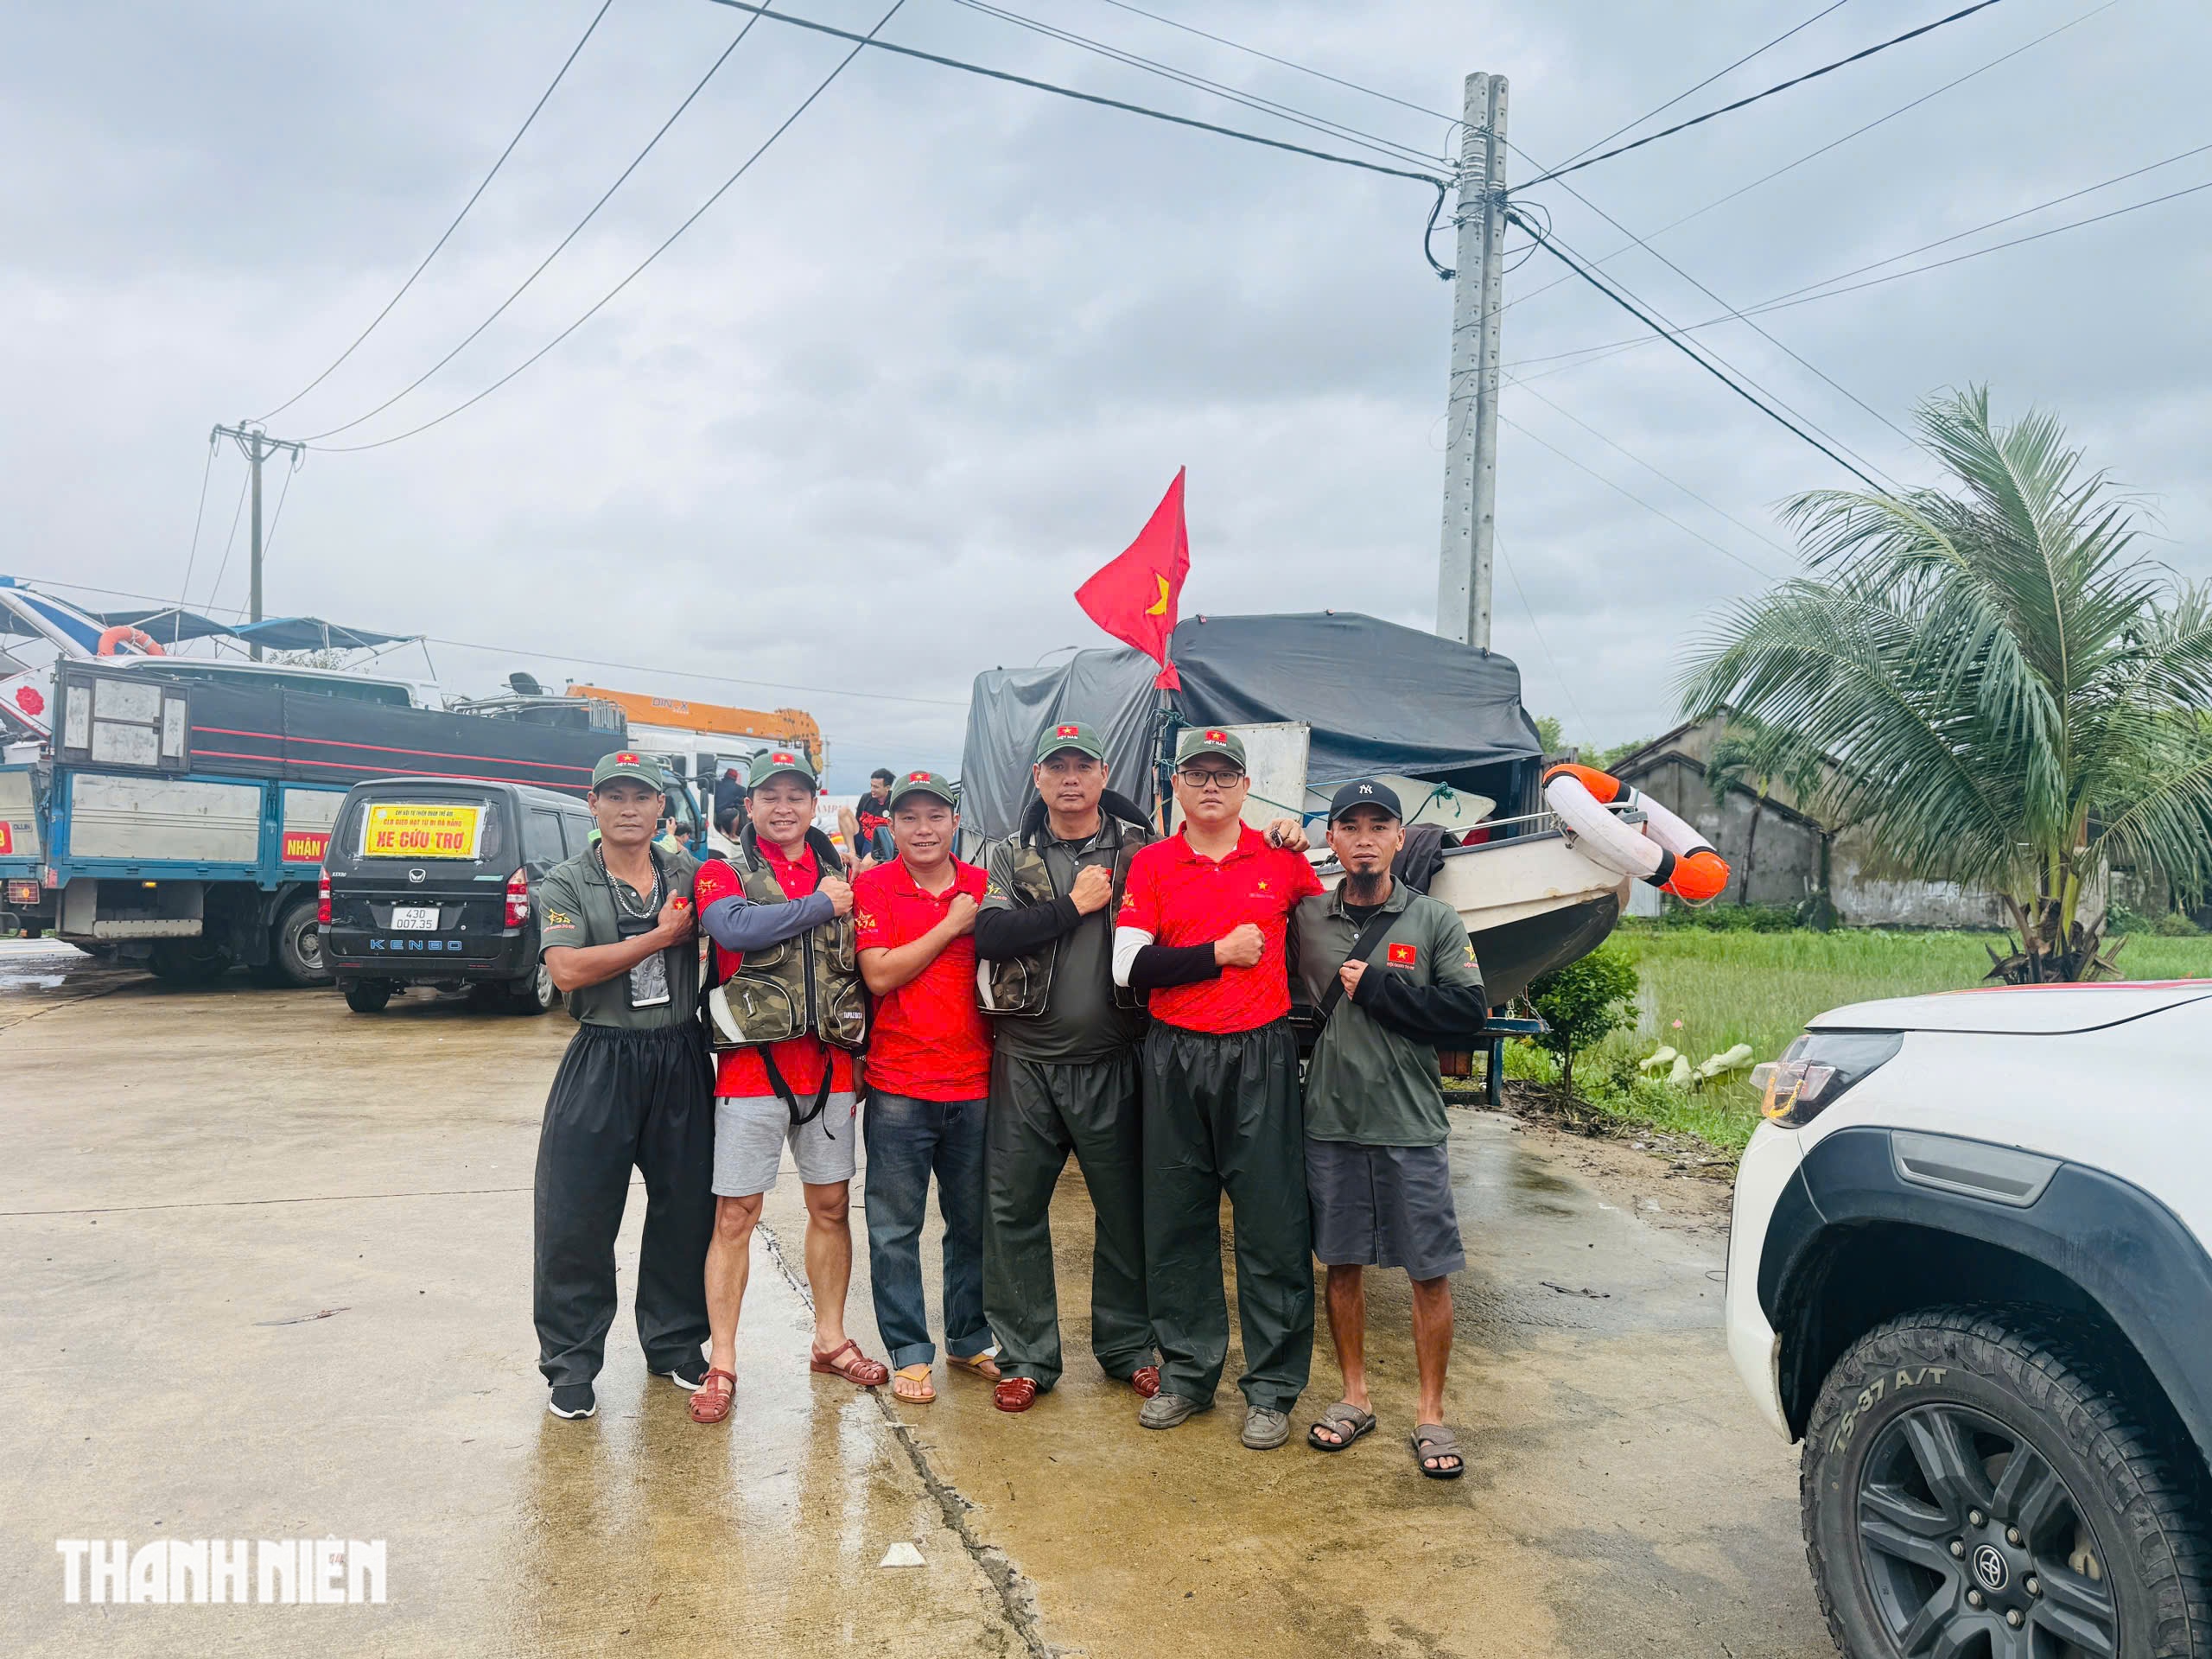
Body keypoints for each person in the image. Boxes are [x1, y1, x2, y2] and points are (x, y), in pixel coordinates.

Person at [1112, 727, 1324, 1450]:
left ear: (1243, 786)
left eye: (1224, 775)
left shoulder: (1282, 861)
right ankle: (1188, 1375)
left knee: (1274, 1225)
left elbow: (1331, 937)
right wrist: (1217, 955)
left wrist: (1299, 841)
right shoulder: (1151, 863)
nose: (1210, 786)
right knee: (1176, 1220)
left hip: (1260, 1054)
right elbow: (1128, 970)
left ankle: (1271, 1389)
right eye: (1196, 774)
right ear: (1176, 786)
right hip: (1173, 1055)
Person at [1289, 780, 1486, 1479]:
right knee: (1340, 1266)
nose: (1366, 837)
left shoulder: (1434, 920)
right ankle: (1354, 1397)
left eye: (1380, 825)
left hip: (1410, 1126)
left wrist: (1376, 988)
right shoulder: (1307, 917)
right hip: (1331, 1123)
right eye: (1351, 825)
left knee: (1429, 1272)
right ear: (1332, 841)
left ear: (1401, 840)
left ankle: (1431, 1415)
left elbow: (1468, 1015)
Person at [689, 747, 887, 1425]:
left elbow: (859, 970)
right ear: (750, 807)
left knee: (831, 1207)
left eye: (796, 796)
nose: (783, 807)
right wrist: (819, 903)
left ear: (813, 804)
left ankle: (830, 1341)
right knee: (735, 1216)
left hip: (829, 1071)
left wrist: (862, 1062)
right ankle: (722, 1363)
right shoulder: (722, 873)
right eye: (770, 796)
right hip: (750, 1075)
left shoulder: (845, 874)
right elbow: (730, 927)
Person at [971, 721, 1160, 1414]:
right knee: (1013, 1210)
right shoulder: (1006, 854)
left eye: (1084, 765)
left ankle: (1129, 1348)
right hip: (1025, 1062)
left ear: (1105, 775)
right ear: (1039, 779)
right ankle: (1026, 1356)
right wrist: (1072, 906)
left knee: (1125, 1210)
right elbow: (988, 936)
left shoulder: (1143, 852)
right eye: (1058, 766)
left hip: (1114, 1058)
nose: (1071, 777)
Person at [531, 751, 713, 1420]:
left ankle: (674, 1343)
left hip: (680, 1053)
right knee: (576, 1216)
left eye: (643, 796)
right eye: (616, 796)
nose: (630, 807)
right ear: (594, 804)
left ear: (662, 807)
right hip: (602, 1057)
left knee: (685, 1209)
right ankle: (572, 1363)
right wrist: (659, 937)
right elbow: (569, 969)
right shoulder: (566, 882)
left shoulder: (693, 874)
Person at [853, 770, 1001, 1403]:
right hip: (898, 1086)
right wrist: (948, 927)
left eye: (935, 816)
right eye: (909, 817)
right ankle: (910, 1350)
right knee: (894, 1228)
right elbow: (879, 974)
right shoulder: (874, 885)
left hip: (975, 1084)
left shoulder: (984, 885)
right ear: (891, 824)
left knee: (973, 1224)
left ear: (954, 823)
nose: (923, 829)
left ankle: (969, 1339)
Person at [712, 766, 745, 838]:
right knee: (736, 813)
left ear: (725, 775)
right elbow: (746, 793)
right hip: (722, 813)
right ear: (735, 778)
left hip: (713, 813)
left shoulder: (717, 784)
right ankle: (732, 834)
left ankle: (722, 831)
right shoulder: (737, 788)